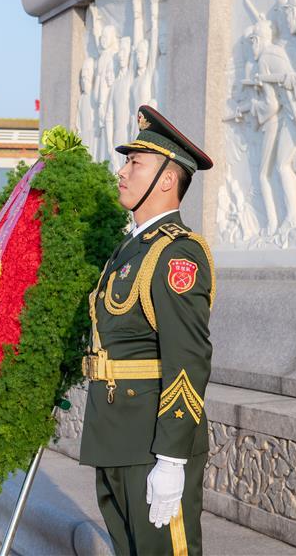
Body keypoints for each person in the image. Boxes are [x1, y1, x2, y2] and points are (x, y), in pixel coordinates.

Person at [80, 105, 215, 556]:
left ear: (166, 179)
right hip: (116, 437)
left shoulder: (178, 254)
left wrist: (173, 457)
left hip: (151, 442)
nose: (121, 172)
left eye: (135, 162)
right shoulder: (130, 250)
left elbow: (188, 358)